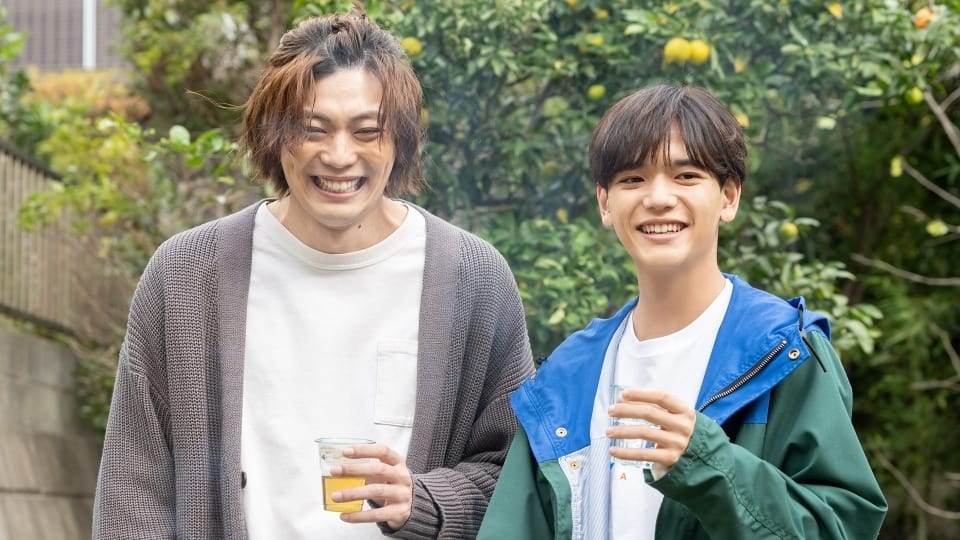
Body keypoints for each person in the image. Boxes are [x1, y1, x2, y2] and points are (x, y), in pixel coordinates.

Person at [92, 8, 534, 539]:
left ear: (400, 142)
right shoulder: (188, 274)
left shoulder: (472, 278)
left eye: (366, 131)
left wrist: (425, 501)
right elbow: (133, 490)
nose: (339, 156)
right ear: (273, 136)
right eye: (312, 129)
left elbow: (516, 478)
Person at [477, 84, 887, 539]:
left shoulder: (785, 352)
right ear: (605, 203)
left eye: (686, 175)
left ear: (729, 197)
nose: (658, 198)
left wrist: (709, 464)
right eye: (632, 179)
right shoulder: (567, 375)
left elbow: (842, 527)